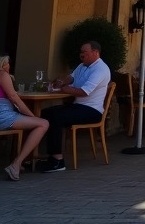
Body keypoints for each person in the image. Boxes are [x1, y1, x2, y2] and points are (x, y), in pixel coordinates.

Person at [37, 41, 111, 173]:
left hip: (91, 110)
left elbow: (84, 92)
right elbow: (71, 77)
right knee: (44, 113)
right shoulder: (83, 65)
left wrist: (62, 90)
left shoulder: (101, 69)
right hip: (78, 107)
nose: (81, 55)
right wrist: (60, 82)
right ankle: (42, 155)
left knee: (56, 117)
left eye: (85, 52)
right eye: (81, 52)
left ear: (95, 53)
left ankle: (58, 161)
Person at [0, 55, 49, 181]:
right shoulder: (2, 75)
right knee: (43, 124)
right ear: (2, 65)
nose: (9, 66)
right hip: (1, 118)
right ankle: (16, 164)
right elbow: (14, 98)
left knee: (33, 124)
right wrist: (32, 116)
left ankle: (23, 161)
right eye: (7, 63)